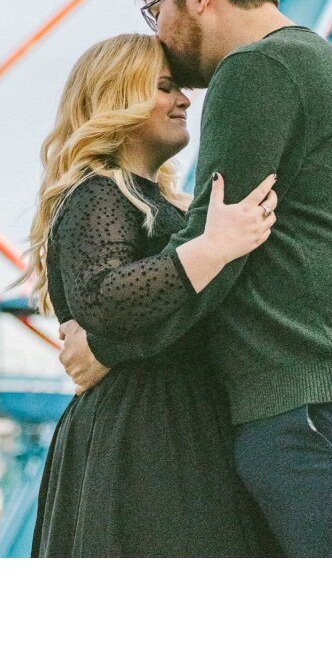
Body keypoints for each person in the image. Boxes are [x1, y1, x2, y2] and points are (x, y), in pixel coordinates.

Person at [57, 0, 332, 558]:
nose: (157, 34)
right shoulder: (309, 61)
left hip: (319, 408)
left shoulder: (257, 71)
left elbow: (216, 251)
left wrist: (107, 345)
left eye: (154, 9)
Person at [25, 33, 281, 557]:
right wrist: (215, 248)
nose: (184, 100)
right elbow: (106, 297)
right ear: (118, 98)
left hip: (170, 419)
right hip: (143, 430)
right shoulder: (97, 191)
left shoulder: (152, 199)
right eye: (164, 88)